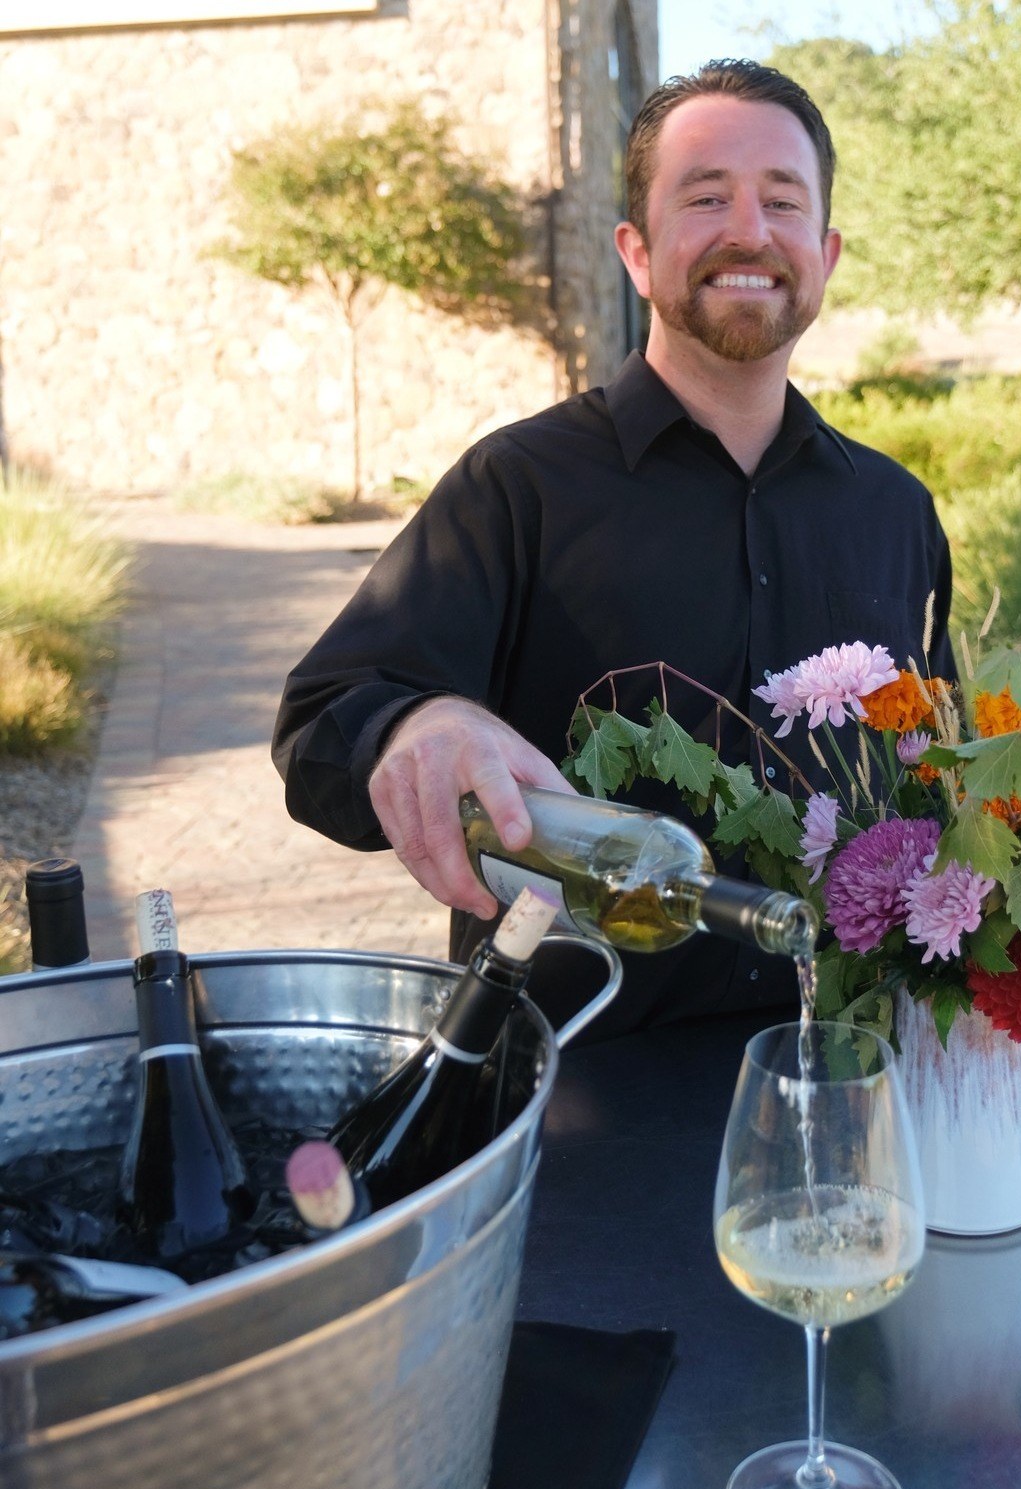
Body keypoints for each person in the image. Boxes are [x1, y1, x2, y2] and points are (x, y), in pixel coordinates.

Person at [273, 59, 955, 1035]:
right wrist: (416, 728)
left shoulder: (896, 511)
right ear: (636, 252)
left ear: (826, 251)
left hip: (851, 1072)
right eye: (706, 197)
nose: (748, 232)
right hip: (577, 1092)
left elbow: (939, 769)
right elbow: (320, 724)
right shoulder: (518, 487)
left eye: (781, 201)